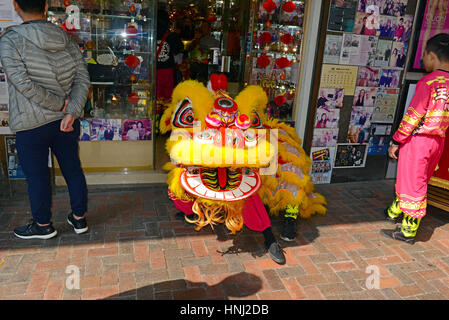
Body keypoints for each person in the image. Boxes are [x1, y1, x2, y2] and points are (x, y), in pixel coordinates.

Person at [0, 0, 90, 239]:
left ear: (16, 5)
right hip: (66, 121)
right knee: (72, 169)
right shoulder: (65, 38)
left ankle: (42, 226)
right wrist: (70, 109)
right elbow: (83, 77)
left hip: (31, 123)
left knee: (37, 176)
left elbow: (22, 83)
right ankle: (79, 219)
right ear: (47, 5)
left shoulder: (10, 40)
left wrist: (62, 106)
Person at [381, 34, 449, 244]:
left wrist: (397, 140)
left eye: (424, 56)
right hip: (438, 142)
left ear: (431, 55)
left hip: (419, 141)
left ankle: (408, 230)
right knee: (418, 180)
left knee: (413, 184)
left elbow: (413, 115)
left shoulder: (428, 82)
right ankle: (395, 211)